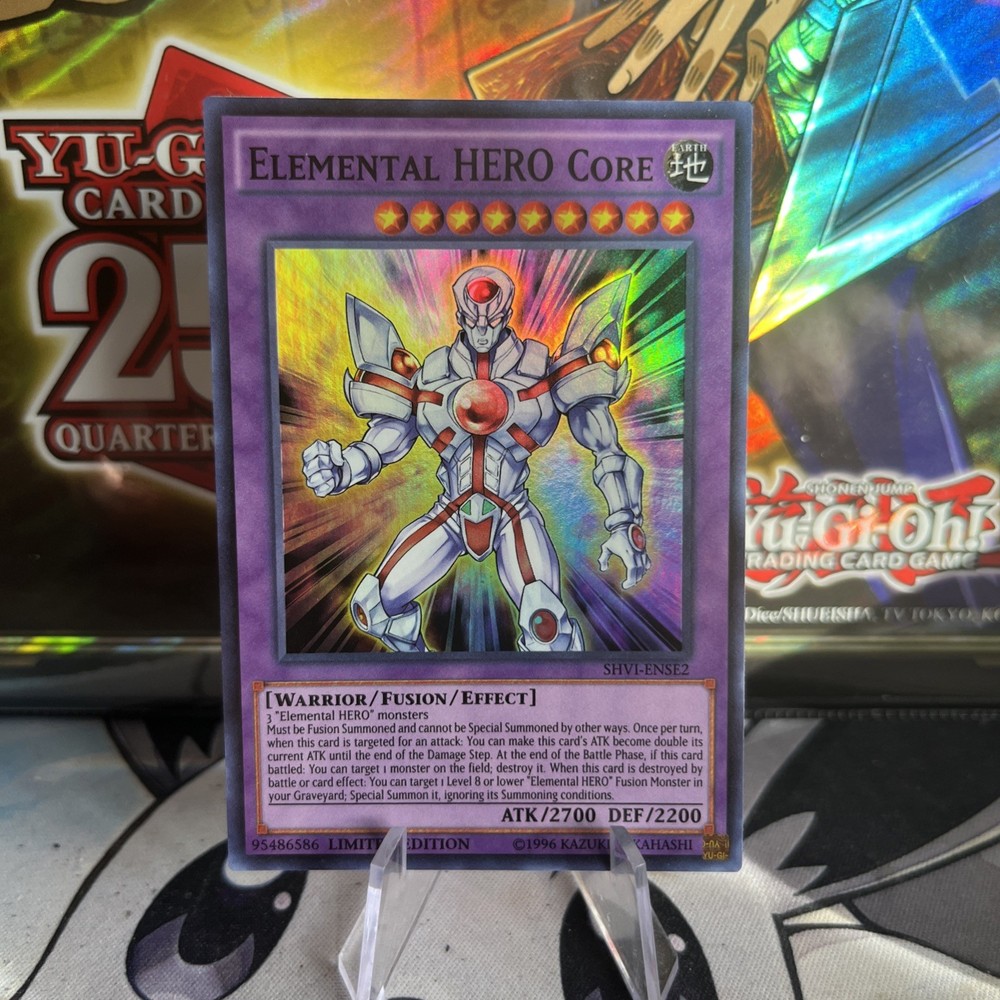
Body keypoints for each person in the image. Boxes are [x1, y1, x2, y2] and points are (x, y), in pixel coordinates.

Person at [302, 265, 649, 652]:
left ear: (506, 313)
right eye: (473, 318)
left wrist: (625, 523)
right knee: (372, 607)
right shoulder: (431, 376)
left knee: (547, 626)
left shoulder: (540, 368)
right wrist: (346, 466)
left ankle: (562, 690)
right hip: (450, 513)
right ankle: (426, 680)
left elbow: (606, 448)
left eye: (492, 317)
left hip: (512, 513)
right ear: (460, 315)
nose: (483, 326)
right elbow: (389, 437)